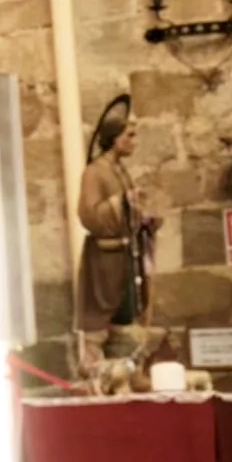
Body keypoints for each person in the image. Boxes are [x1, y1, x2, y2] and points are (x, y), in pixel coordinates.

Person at [77, 101, 160, 333]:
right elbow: (88, 215)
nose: (135, 142)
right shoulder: (95, 172)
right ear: (115, 139)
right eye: (130, 135)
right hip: (106, 262)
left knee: (130, 320)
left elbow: (129, 213)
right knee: (104, 327)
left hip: (127, 259)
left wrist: (143, 219)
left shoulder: (121, 171)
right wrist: (121, 201)